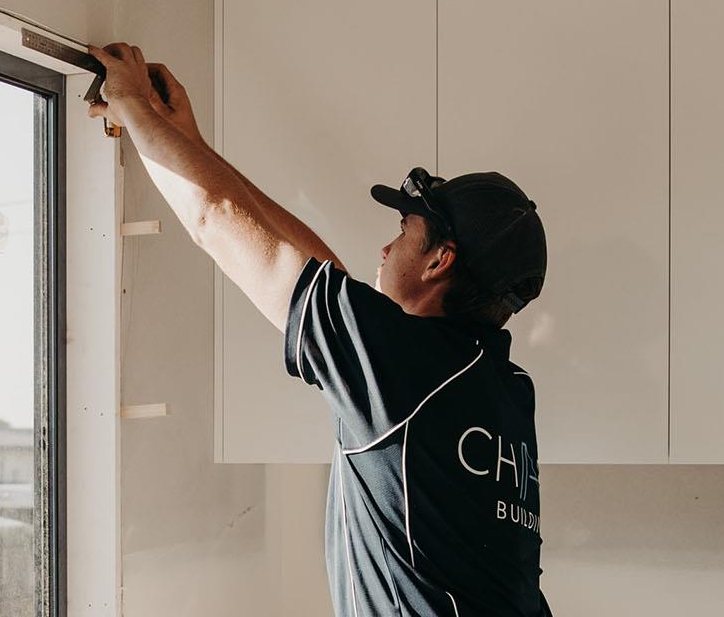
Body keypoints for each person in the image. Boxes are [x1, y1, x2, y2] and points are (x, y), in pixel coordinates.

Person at [89, 43, 553, 617]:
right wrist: (190, 144)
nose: (385, 247)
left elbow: (215, 220)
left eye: (405, 230)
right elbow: (323, 277)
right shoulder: (500, 385)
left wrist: (133, 103)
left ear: (439, 261)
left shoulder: (403, 370)